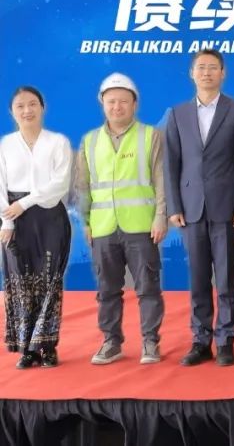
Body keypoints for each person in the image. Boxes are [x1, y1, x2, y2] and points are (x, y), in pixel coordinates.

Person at [165, 49, 234, 367]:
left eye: (213, 68)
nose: (206, 73)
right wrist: (174, 205)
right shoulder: (177, 114)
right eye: (201, 67)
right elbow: (171, 164)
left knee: (227, 278)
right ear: (192, 73)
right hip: (190, 208)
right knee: (198, 278)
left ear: (223, 73)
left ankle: (226, 339)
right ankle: (200, 340)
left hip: (227, 207)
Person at [74, 74, 167, 366]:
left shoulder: (150, 135)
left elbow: (161, 179)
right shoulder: (89, 141)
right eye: (111, 101)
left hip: (141, 225)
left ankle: (150, 341)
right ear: (102, 103)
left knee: (148, 288)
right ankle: (111, 342)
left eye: (123, 101)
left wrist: (161, 217)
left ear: (134, 104)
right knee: (107, 290)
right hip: (103, 227)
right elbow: (82, 186)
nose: (117, 107)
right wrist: (85, 222)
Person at [0, 86, 72, 369]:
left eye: (32, 104)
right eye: (20, 106)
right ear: (12, 112)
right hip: (14, 219)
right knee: (20, 281)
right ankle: (26, 349)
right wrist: (7, 221)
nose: (27, 110)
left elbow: (60, 184)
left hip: (50, 217)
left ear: (43, 107)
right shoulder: (5, 145)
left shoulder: (58, 142)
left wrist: (25, 203)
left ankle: (47, 346)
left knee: (49, 280)